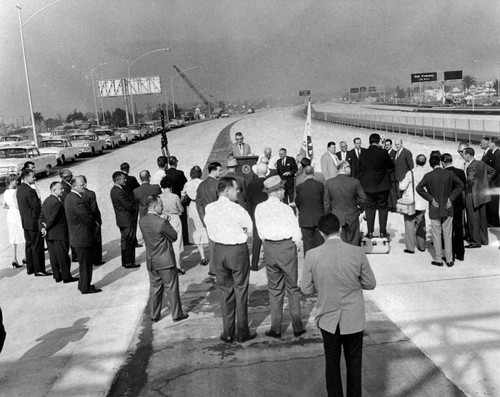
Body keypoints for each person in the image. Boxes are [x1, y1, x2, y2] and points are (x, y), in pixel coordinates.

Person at [301, 213, 376, 397]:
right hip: (353, 318)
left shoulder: (311, 255)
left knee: (332, 364)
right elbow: (370, 283)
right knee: (354, 364)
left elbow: (306, 289)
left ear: (321, 233)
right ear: (340, 229)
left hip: (328, 318)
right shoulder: (357, 252)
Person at [204, 176, 256, 343]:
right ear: (227, 190)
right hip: (237, 251)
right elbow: (250, 228)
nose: (238, 191)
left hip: (219, 251)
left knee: (225, 290)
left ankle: (228, 332)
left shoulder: (210, 208)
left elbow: (209, 227)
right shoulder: (238, 209)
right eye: (236, 189)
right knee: (240, 290)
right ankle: (242, 332)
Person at [255, 175, 305, 339]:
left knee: (275, 289)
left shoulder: (260, 208)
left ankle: (276, 327)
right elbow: (296, 230)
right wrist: (296, 245)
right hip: (286, 248)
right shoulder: (285, 209)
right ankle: (297, 325)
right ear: (276, 191)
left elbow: (260, 232)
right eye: (282, 188)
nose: (284, 190)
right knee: (292, 288)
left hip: (270, 248)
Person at [139, 195, 188, 323]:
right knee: (171, 287)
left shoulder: (142, 220)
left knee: (155, 288)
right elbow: (174, 237)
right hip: (165, 260)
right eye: (161, 205)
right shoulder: (162, 222)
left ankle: (154, 315)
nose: (163, 207)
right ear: (154, 207)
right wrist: (166, 221)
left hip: (151, 260)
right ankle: (177, 313)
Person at [416, 155, 464, 267]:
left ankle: (438, 259)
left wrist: (430, 198)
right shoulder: (449, 174)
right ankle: (449, 259)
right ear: (440, 162)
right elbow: (460, 185)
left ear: (430, 164)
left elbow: (419, 188)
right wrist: (451, 198)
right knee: (448, 234)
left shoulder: (428, 176)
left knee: (436, 234)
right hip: (447, 207)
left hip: (435, 208)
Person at [65, 175, 102, 294]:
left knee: (83, 264)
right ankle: (85, 287)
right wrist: (95, 224)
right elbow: (87, 218)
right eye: (82, 185)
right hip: (82, 237)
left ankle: (82, 284)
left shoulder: (70, 197)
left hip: (77, 236)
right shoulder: (76, 200)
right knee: (86, 265)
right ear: (74, 186)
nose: (84, 186)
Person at [358, 133, 394, 238]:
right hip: (382, 186)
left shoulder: (363, 153)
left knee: (370, 208)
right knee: (383, 208)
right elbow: (391, 166)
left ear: (369, 141)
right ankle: (382, 232)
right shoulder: (383, 152)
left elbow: (360, 168)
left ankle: (370, 232)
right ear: (378, 141)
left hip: (368, 186)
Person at [40, 181, 77, 283]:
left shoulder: (46, 201)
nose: (63, 190)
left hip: (49, 235)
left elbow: (41, 217)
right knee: (63, 256)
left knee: (54, 256)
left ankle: (57, 276)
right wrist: (46, 227)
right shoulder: (57, 202)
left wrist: (42, 228)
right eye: (60, 189)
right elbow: (53, 218)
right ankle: (66, 277)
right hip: (59, 233)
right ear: (54, 190)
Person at [324, 161, 366, 246]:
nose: (350, 169)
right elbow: (363, 198)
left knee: (339, 242)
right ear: (343, 168)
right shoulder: (354, 182)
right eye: (348, 167)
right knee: (353, 241)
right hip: (352, 215)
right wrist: (359, 209)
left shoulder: (329, 183)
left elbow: (326, 202)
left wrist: (328, 215)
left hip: (336, 216)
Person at [16, 168, 50, 276]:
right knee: (38, 246)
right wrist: (41, 221)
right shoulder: (30, 191)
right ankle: (39, 269)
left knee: (29, 246)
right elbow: (36, 208)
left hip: (26, 222)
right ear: (26, 177)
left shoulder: (20, 189)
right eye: (33, 176)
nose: (35, 178)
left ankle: (30, 268)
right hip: (34, 223)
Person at [462, 148, 495, 248]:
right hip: (482, 194)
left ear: (468, 155)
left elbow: (470, 179)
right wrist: (484, 183)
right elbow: (492, 171)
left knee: (472, 219)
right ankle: (484, 239)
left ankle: (475, 241)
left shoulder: (471, 166)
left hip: (472, 195)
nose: (463, 156)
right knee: (482, 218)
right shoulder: (481, 163)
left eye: (463, 154)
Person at [196, 162, 222, 276]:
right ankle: (218, 268)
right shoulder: (217, 184)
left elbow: (199, 203)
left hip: (207, 218)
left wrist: (203, 218)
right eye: (219, 170)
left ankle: (213, 268)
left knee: (212, 243)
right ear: (213, 171)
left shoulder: (201, 185)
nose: (221, 173)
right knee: (219, 243)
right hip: (217, 218)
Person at [110, 171, 140, 269]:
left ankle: (125, 261)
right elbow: (127, 205)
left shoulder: (115, 190)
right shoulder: (118, 191)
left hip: (122, 219)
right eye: (123, 178)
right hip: (127, 219)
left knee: (125, 241)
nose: (125, 180)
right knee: (129, 241)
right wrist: (134, 209)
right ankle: (129, 262)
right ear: (118, 180)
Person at [399, 154, 428, 254]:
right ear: (425, 162)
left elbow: (402, 186)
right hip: (423, 202)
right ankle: (422, 246)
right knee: (421, 225)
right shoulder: (427, 173)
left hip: (411, 202)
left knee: (409, 224)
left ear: (416, 161)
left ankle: (410, 247)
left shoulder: (410, 172)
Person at [182, 166, 209, 267]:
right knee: (205, 227)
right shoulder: (203, 182)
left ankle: (202, 256)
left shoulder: (188, 184)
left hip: (193, 206)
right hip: (202, 205)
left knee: (196, 230)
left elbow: (183, 196)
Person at [441, 153, 466, 261]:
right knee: (459, 228)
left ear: (442, 163)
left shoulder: (443, 173)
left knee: (447, 230)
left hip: (447, 204)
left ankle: (450, 253)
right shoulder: (460, 172)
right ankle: (460, 254)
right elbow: (463, 187)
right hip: (458, 203)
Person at [295, 165, 325, 253]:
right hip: (318, 217)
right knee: (319, 243)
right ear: (314, 173)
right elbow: (324, 201)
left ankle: (309, 263)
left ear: (304, 174)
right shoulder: (320, 186)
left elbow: (298, 202)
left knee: (307, 244)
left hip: (305, 218)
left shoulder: (299, 187)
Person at [160, 176, 185, 274]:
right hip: (174, 218)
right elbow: (181, 209)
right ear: (171, 186)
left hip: (163, 218)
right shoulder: (175, 196)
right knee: (177, 242)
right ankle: (178, 266)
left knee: (166, 243)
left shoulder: (159, 197)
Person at [246, 162, 269, 271]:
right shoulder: (269, 183)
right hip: (268, 214)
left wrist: (251, 216)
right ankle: (270, 262)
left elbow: (249, 202)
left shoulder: (251, 185)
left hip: (256, 213)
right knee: (269, 238)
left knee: (257, 240)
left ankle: (254, 264)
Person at [3, 174, 25, 268]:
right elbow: (17, 205)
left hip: (10, 215)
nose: (17, 182)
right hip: (17, 214)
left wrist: (10, 207)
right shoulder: (15, 192)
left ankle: (14, 258)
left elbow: (4, 205)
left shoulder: (5, 192)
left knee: (13, 237)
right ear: (11, 181)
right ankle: (25, 257)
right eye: (16, 180)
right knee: (23, 235)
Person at [81, 176, 104, 266]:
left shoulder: (77, 195)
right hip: (94, 220)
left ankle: (90, 258)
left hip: (85, 221)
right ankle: (97, 259)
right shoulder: (90, 193)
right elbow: (94, 208)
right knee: (97, 240)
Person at [120, 162, 142, 248]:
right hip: (132, 203)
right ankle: (134, 241)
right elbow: (138, 188)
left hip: (122, 204)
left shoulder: (119, 180)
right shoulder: (132, 179)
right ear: (128, 169)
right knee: (133, 224)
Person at [481, 137, 500, 227]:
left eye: (489, 142)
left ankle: (495, 222)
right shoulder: (493, 153)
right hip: (492, 181)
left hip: (495, 182)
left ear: (493, 144)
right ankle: (492, 221)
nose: (488, 144)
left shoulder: (498, 153)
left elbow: (496, 170)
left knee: (494, 203)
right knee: (491, 202)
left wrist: (487, 179)